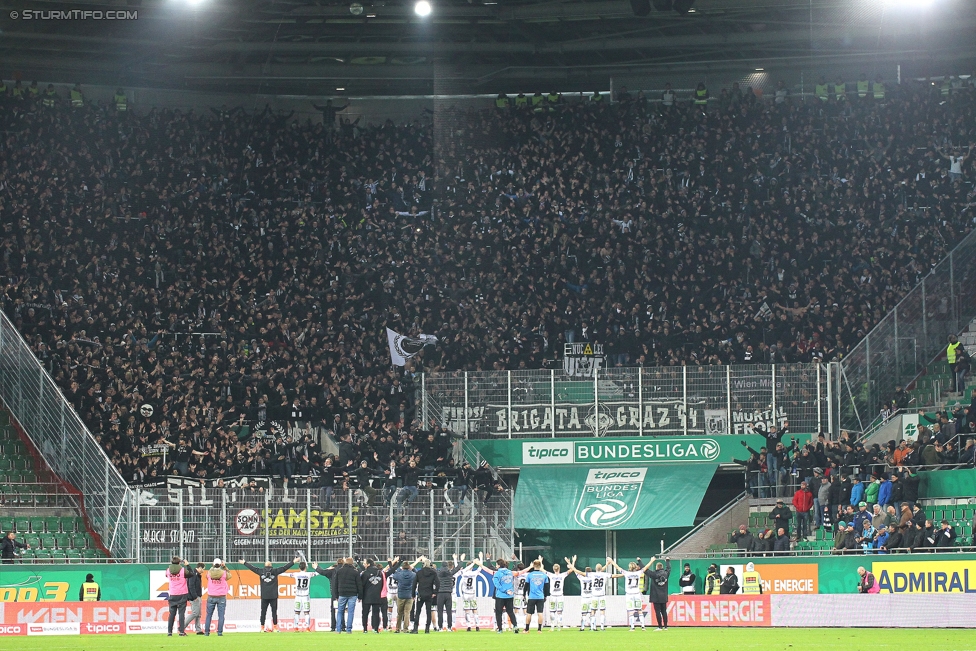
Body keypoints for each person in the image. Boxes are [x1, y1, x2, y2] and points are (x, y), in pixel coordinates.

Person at [240, 557, 295, 632]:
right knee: (274, 612)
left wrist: (244, 563)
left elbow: (252, 568)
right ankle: (275, 628)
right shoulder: (275, 571)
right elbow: (285, 568)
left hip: (264, 595)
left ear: (265, 566)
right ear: (271, 565)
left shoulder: (260, 571)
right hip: (273, 595)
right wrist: (293, 561)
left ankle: (262, 627)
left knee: (263, 612)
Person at [607, 556, 654, 631]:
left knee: (630, 611)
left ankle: (632, 627)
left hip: (629, 595)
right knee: (639, 610)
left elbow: (617, 567)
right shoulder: (639, 573)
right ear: (635, 567)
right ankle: (643, 626)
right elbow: (646, 568)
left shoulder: (626, 573)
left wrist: (611, 561)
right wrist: (652, 561)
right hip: (637, 594)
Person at [485, 557, 518, 634]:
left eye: (496, 564)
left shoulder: (497, 574)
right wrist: (510, 591)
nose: (496, 566)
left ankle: (500, 629)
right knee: (510, 612)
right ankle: (515, 626)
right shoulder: (510, 572)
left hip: (500, 596)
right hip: (510, 595)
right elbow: (511, 583)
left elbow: (497, 585)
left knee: (498, 612)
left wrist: (505, 590)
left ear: (499, 565)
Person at [335, 556, 364, 633]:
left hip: (342, 593)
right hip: (352, 594)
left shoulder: (339, 571)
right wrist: (360, 596)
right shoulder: (355, 572)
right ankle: (349, 629)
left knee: (340, 612)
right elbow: (359, 584)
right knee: (350, 612)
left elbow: (335, 583)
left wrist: (336, 595)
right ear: (352, 563)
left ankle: (338, 629)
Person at [435, 554, 463, 632]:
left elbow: (432, 569)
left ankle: (440, 627)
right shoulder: (450, 573)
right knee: (449, 611)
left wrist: (425, 561)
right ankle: (449, 627)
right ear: (447, 566)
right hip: (448, 593)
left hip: (440, 593)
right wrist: (461, 560)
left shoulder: (438, 573)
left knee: (440, 611)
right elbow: (458, 568)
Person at [391, 559, 418, 633]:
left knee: (399, 613)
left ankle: (397, 628)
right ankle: (405, 629)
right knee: (407, 613)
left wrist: (399, 568)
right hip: (410, 595)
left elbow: (394, 575)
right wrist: (413, 569)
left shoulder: (399, 574)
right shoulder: (413, 574)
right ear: (409, 567)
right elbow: (417, 575)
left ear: (402, 567)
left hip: (401, 595)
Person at [204, 558, 231, 636]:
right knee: (221, 615)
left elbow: (207, 576)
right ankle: (219, 632)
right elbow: (230, 575)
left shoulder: (209, 573)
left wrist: (212, 567)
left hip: (211, 596)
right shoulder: (224, 573)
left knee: (209, 615)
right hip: (221, 596)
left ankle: (206, 632)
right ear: (220, 565)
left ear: (213, 564)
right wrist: (225, 567)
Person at [522, 559, 549, 633]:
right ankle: (539, 629)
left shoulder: (530, 575)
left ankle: (527, 629)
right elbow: (546, 587)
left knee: (529, 613)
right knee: (540, 613)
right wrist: (545, 596)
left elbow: (526, 586)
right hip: (540, 596)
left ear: (533, 566)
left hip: (532, 597)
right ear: (540, 566)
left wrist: (524, 594)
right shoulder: (544, 575)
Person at [313, 559, 340, 631]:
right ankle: (343, 626)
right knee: (344, 610)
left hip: (334, 594)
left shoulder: (333, 571)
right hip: (344, 593)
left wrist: (316, 567)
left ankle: (333, 626)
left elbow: (323, 572)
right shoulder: (345, 570)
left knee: (334, 610)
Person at [166, 557, 191, 637]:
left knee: (172, 614)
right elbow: (191, 574)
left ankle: (169, 632)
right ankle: (181, 631)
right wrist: (187, 565)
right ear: (179, 563)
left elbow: (166, 575)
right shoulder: (182, 570)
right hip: (182, 593)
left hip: (172, 594)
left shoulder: (168, 570)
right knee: (181, 614)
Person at [644, 557, 671, 631]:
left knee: (657, 612)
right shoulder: (666, 574)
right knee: (664, 611)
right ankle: (666, 626)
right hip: (664, 596)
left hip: (656, 596)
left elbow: (645, 570)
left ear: (656, 567)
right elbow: (669, 568)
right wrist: (667, 561)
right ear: (662, 567)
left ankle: (660, 626)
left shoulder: (654, 574)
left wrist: (639, 561)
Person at [413, 559, 439, 633]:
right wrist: (435, 592)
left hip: (421, 594)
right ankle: (427, 628)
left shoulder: (419, 573)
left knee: (418, 611)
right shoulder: (433, 573)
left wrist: (413, 594)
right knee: (428, 612)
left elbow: (414, 584)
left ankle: (415, 628)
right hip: (429, 594)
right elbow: (438, 583)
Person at [292, 559, 316, 632]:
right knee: (306, 612)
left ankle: (296, 627)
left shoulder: (296, 574)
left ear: (299, 568)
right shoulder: (309, 574)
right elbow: (319, 573)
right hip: (306, 596)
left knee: (297, 612)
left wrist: (277, 572)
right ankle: (307, 627)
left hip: (298, 596)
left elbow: (285, 574)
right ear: (305, 567)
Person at [458, 557, 482, 631]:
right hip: (473, 594)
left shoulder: (464, 573)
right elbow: (480, 567)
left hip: (465, 594)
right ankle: (477, 625)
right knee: (475, 610)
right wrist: (481, 558)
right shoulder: (474, 573)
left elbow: (459, 569)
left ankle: (469, 626)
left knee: (467, 610)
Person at [545, 561, 571, 631]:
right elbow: (571, 570)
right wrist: (571, 563)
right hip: (560, 596)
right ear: (559, 569)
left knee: (552, 611)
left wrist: (541, 562)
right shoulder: (562, 575)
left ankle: (552, 626)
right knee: (559, 612)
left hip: (553, 596)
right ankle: (559, 626)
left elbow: (542, 570)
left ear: (553, 569)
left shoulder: (551, 575)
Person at [184, 564, 204, 635]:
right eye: (203, 569)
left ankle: (198, 630)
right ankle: (182, 627)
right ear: (200, 568)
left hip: (197, 596)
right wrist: (195, 596)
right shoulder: (194, 574)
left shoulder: (196, 574)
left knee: (198, 614)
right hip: (194, 597)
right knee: (195, 613)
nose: (203, 570)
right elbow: (191, 585)